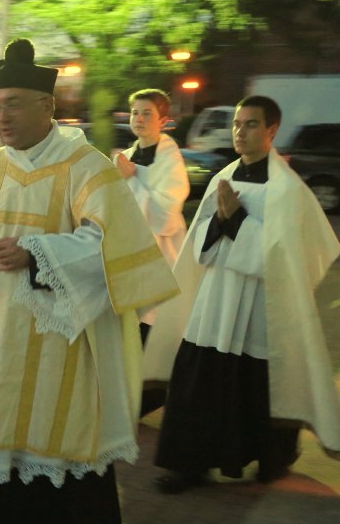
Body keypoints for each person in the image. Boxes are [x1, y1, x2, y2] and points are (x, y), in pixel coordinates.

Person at [0, 38, 179, 523]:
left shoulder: (88, 170)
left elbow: (110, 243)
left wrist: (37, 254)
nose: (2, 117)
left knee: (53, 451)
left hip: (60, 345)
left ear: (47, 106)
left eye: (13, 104)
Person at [145, 95, 340, 494]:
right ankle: (189, 466)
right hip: (216, 300)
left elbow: (291, 256)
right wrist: (221, 222)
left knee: (256, 383)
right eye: (237, 124)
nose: (240, 132)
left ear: (271, 130)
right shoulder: (225, 177)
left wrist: (236, 221)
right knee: (199, 381)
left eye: (251, 124)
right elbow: (198, 241)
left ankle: (270, 459)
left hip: (258, 305)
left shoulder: (287, 189)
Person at [115, 89, 189, 415]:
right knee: (127, 333)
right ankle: (126, 398)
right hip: (129, 259)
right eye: (135, 112)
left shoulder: (170, 161)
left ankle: (146, 399)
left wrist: (131, 181)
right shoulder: (126, 157)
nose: (139, 119)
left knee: (152, 331)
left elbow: (166, 216)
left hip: (161, 257)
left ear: (163, 120)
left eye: (147, 113)